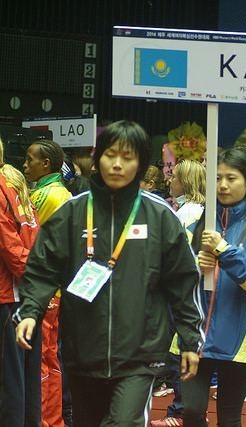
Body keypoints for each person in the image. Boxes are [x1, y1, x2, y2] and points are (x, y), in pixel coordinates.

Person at [15, 120, 204, 427]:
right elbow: (42, 268)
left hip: (140, 356)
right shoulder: (72, 213)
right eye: (110, 155)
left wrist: (190, 340)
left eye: (127, 157)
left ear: (140, 164)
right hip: (82, 352)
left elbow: (183, 281)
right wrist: (30, 311)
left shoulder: (159, 216)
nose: (117, 164)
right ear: (98, 158)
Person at [181, 147, 246, 427]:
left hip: (240, 337)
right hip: (194, 334)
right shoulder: (190, 222)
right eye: (217, 178)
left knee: (229, 417)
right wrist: (195, 265)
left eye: (231, 178)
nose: (222, 185)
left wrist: (223, 249)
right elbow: (171, 273)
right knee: (191, 411)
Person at [151, 159, 207, 427]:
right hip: (188, 289)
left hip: (180, 291)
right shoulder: (194, 211)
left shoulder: (186, 214)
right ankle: (185, 407)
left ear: (185, 182)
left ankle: (181, 409)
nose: (169, 181)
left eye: (173, 177)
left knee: (179, 350)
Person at [23, 139, 72, 427]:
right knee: (50, 358)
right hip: (55, 289)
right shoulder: (58, 192)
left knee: (40, 359)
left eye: (30, 159)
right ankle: (53, 420)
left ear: (46, 164)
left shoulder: (47, 196)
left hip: (44, 290)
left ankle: (43, 419)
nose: (25, 165)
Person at [0, 137, 41, 427]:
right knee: (27, 375)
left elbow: (10, 248)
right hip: (27, 293)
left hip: (8, 294)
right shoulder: (17, 187)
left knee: (9, 380)